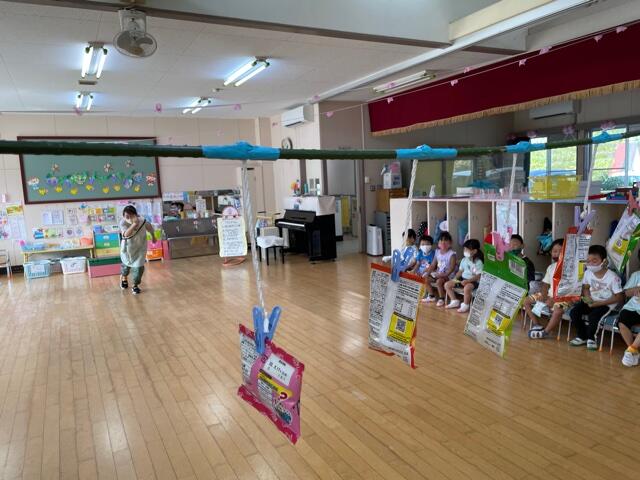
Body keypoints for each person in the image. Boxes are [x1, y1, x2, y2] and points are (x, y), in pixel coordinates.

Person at [568, 245, 623, 350]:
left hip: (606, 304)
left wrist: (598, 304)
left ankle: (591, 338)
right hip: (592, 301)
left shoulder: (613, 277)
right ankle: (582, 336)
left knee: (594, 316)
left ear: (604, 261)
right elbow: (586, 288)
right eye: (588, 261)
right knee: (574, 312)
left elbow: (619, 297)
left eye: (594, 261)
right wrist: (588, 299)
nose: (590, 264)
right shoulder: (587, 273)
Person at [527, 239, 564, 339]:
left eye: (561, 251)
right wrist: (543, 295)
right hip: (549, 295)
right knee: (525, 301)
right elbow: (545, 284)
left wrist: (553, 299)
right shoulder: (551, 267)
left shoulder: (571, 269)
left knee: (558, 310)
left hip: (563, 298)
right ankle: (537, 325)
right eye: (555, 251)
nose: (557, 254)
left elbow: (571, 290)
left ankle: (545, 332)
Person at [120, 205, 155, 295]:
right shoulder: (123, 223)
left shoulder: (142, 221)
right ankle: (124, 278)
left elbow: (150, 228)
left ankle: (135, 285)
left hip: (140, 249)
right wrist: (134, 224)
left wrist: (153, 237)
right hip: (127, 249)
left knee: (139, 268)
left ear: (136, 215)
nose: (128, 218)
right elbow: (126, 234)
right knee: (126, 267)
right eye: (126, 216)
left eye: (131, 216)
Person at [444, 239, 483, 313]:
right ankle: (454, 301)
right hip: (463, 279)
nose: (465, 251)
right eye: (464, 249)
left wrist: (468, 281)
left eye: (467, 249)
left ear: (474, 251)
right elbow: (460, 271)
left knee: (467, 288)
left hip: (473, 281)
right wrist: (454, 279)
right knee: (447, 284)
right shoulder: (464, 260)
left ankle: (466, 305)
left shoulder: (478, 262)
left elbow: (479, 276)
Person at [615, 252, 640, 366]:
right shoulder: (636, 275)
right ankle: (633, 352)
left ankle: (632, 350)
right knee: (622, 321)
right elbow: (625, 293)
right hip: (633, 307)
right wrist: (636, 289)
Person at [424, 232, 457, 306]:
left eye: (446, 240)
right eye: (441, 240)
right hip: (438, 274)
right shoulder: (437, 252)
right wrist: (427, 274)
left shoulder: (452, 254)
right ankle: (431, 296)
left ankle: (441, 298)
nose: (443, 242)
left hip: (448, 276)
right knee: (425, 278)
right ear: (438, 242)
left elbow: (452, 268)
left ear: (450, 242)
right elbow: (433, 265)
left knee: (439, 281)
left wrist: (444, 275)